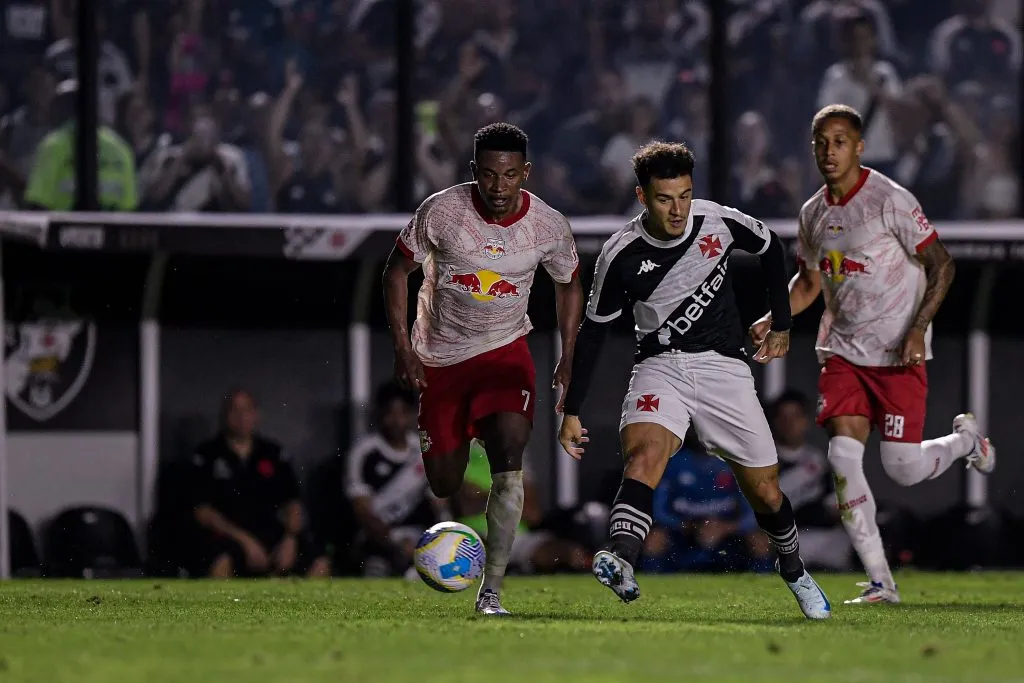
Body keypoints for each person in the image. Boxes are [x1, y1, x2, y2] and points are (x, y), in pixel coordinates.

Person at [558, 141, 832, 621]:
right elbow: (595, 332)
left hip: (724, 368)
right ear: (643, 198)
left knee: (767, 492)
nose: (678, 209)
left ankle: (794, 570)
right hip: (660, 366)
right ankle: (621, 558)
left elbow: (770, 249)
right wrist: (572, 408)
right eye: (665, 199)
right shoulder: (619, 254)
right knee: (644, 457)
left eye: (685, 195)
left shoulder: (717, 220)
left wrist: (783, 323)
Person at [749, 104, 996, 605]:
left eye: (840, 142)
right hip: (842, 352)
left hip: (897, 354)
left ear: (859, 147)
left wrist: (917, 328)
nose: (829, 151)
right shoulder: (813, 213)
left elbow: (942, 265)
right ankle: (882, 581)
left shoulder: (889, 200)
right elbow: (810, 282)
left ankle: (964, 441)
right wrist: (778, 319)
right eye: (821, 142)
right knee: (842, 455)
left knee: (902, 467)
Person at [383, 122, 583, 615]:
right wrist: (404, 346)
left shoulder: (548, 226)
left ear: (525, 174)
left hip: (504, 351)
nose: (499, 186)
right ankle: (459, 445)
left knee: (510, 455)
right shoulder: (441, 211)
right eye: (490, 175)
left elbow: (570, 283)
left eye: (510, 175)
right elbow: (395, 270)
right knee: (446, 482)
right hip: (442, 357)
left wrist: (569, 352)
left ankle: (490, 591)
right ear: (475, 172)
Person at [191, 389, 331, 578]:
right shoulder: (207, 454)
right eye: (235, 410)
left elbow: (293, 504)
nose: (241, 417)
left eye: (247, 410)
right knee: (221, 563)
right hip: (229, 536)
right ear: (224, 415)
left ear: (256, 415)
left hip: (271, 534)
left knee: (320, 562)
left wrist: (290, 539)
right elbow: (202, 512)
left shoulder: (273, 453)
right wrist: (245, 541)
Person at [345, 381, 441, 578]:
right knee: (376, 566)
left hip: (420, 537)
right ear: (380, 414)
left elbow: (439, 504)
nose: (397, 420)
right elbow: (363, 514)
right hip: (380, 540)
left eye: (403, 412)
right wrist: (395, 542)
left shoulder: (424, 451)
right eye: (390, 413)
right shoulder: (364, 453)